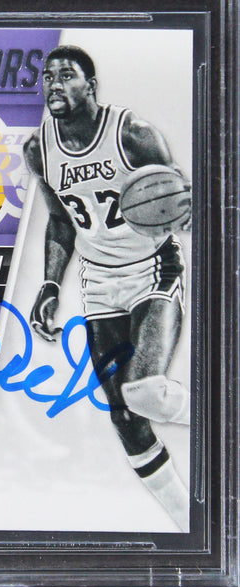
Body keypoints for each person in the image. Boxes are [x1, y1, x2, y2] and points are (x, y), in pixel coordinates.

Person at [24, 45, 191, 532]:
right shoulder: (39, 149)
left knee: (145, 392)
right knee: (125, 418)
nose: (54, 83)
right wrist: (50, 284)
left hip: (152, 268)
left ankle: (223, 420)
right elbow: (61, 221)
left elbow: (183, 200)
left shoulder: (132, 134)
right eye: (48, 76)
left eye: (66, 75)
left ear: (91, 86)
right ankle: (189, 524)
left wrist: (183, 212)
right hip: (98, 281)